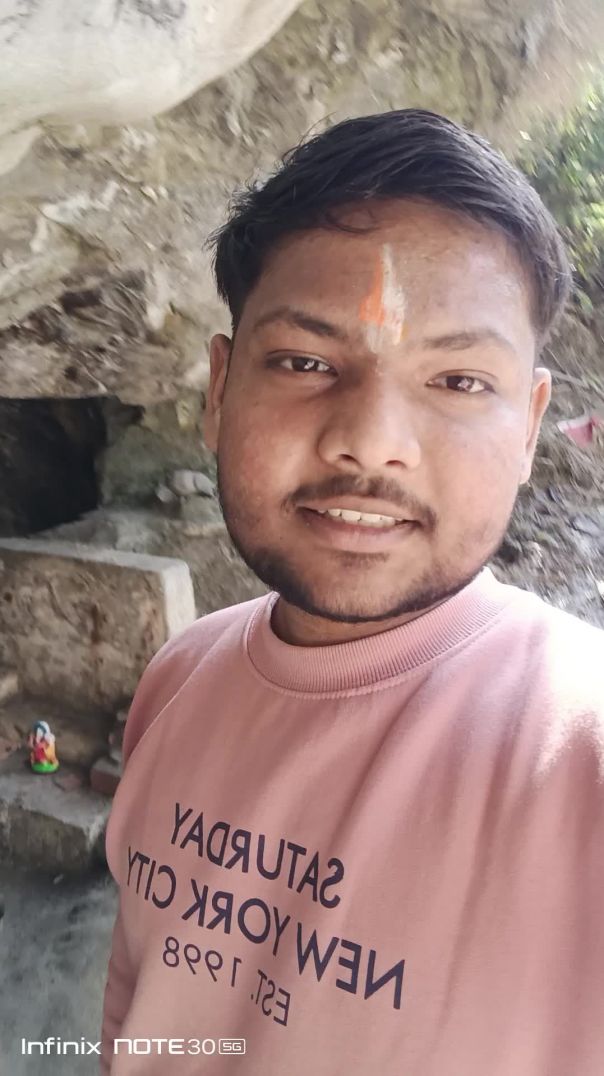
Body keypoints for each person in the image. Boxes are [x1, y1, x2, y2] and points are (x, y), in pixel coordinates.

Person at [100, 109, 604, 1075]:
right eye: (305, 363)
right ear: (218, 389)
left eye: (458, 381)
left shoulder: (577, 757)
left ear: (531, 425)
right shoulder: (177, 681)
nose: (370, 442)